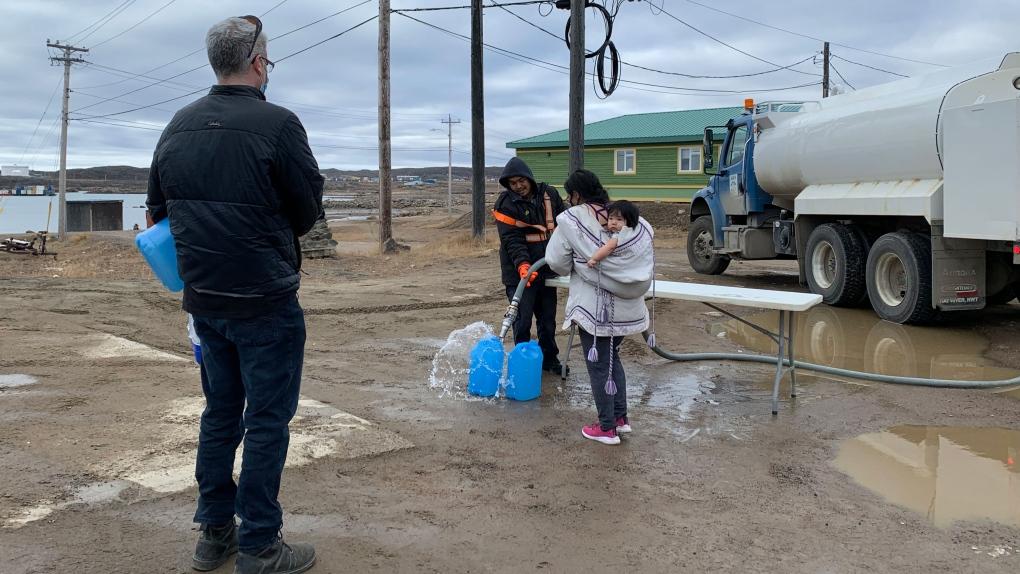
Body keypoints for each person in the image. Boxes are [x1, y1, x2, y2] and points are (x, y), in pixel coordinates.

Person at [146, 15, 323, 574]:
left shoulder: (177, 125)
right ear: (256, 63)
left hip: (205, 300)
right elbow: (306, 209)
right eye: (268, 61)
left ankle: (213, 535)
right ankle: (260, 546)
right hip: (266, 299)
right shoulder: (279, 124)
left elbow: (157, 213)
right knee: (267, 420)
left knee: (220, 414)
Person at [545, 170, 654, 445]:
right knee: (612, 359)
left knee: (598, 365)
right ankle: (619, 418)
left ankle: (606, 428)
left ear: (576, 194)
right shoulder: (623, 216)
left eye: (570, 195)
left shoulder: (572, 220)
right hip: (628, 304)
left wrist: (579, 262)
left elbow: (556, 261)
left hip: (596, 308)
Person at [493, 157, 568, 375]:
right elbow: (512, 240)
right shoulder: (506, 203)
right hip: (520, 273)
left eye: (521, 181)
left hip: (547, 268)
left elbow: (565, 226)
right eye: (513, 183)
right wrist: (523, 265)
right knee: (522, 320)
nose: (518, 186)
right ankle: (522, 362)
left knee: (547, 319)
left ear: (529, 178)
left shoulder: (550, 194)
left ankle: (549, 360)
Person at [586, 200, 640, 268]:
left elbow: (609, 247)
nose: (613, 222)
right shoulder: (636, 231)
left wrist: (594, 259)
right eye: (610, 218)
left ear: (630, 221)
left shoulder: (618, 235)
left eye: (619, 219)